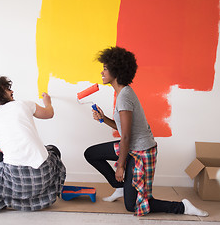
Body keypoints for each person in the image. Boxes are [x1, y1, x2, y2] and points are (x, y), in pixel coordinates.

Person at [84, 46, 208, 217]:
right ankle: (121, 187)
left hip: (141, 152)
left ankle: (183, 207)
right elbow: (124, 130)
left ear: (117, 71)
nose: (102, 72)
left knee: (133, 206)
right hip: (130, 147)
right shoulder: (122, 94)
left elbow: (126, 136)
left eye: (105, 68)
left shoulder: (124, 97)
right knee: (91, 154)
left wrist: (120, 166)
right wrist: (103, 118)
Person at [0, 76, 66, 212]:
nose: (11, 91)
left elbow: (1, 150)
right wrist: (48, 102)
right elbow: (49, 114)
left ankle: (5, 196)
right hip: (43, 178)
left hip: (17, 183)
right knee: (53, 150)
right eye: (7, 89)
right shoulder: (22, 104)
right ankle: (43, 196)